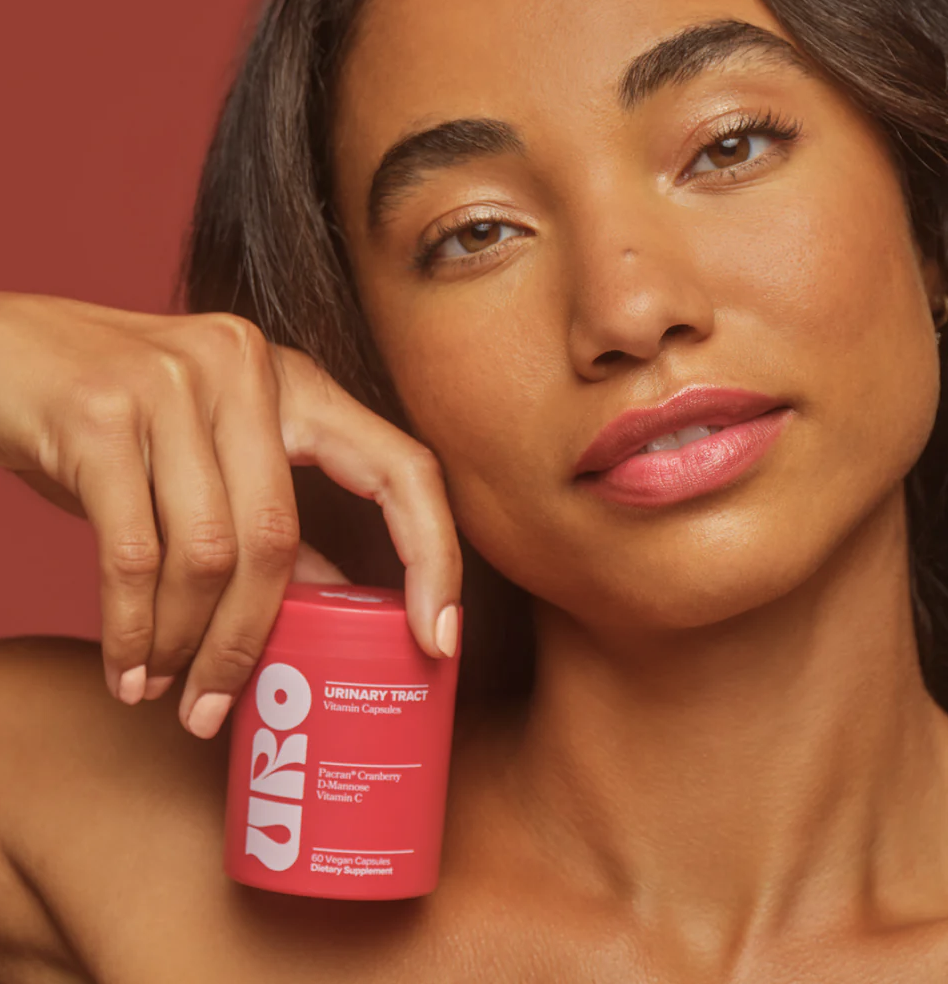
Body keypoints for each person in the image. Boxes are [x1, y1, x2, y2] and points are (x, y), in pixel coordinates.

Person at [2, 0, 948, 978]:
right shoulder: (109, 840)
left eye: (727, 148)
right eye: (476, 233)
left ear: (929, 226)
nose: (627, 309)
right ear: (371, 365)